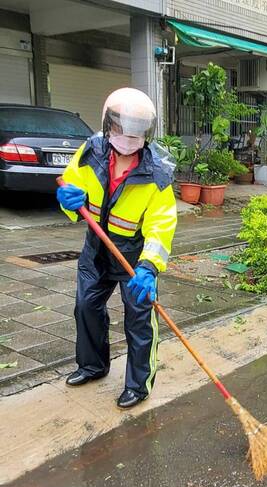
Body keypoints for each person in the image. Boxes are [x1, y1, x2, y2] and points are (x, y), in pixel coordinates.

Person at [56, 88, 177, 409]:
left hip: (133, 256)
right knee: (86, 307)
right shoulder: (89, 153)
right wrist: (68, 201)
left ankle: (139, 384)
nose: (129, 137)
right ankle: (92, 366)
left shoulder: (157, 176)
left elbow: (161, 226)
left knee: (139, 319)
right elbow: (70, 185)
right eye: (123, 128)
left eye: (137, 130)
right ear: (109, 126)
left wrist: (149, 268)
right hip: (96, 248)